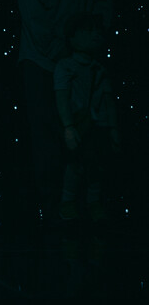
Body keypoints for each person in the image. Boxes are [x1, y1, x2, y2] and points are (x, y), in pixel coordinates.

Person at [14, 0, 113, 221]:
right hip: (45, 58)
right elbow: (32, 8)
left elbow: (103, 1)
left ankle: (81, 205)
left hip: (79, 56)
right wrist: (64, 47)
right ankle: (52, 208)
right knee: (48, 135)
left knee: (87, 133)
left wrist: (86, 44)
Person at [54, 13, 119, 222]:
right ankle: (68, 203)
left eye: (97, 30)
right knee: (75, 165)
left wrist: (113, 128)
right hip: (79, 123)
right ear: (73, 36)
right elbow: (62, 96)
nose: (96, 34)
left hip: (98, 125)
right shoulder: (66, 66)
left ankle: (93, 203)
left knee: (96, 165)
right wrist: (68, 126)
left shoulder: (99, 69)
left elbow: (108, 100)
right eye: (88, 30)